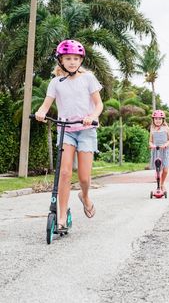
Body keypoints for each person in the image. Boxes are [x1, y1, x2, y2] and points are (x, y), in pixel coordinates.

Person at [35, 39, 103, 232]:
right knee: (64, 174)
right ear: (61, 60)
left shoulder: (88, 78)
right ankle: (62, 216)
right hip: (66, 130)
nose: (72, 62)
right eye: (68, 58)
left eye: (75, 58)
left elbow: (99, 104)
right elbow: (46, 105)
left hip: (86, 131)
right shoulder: (55, 83)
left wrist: (92, 116)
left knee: (83, 177)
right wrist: (41, 112)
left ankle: (85, 196)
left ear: (81, 60)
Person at [149, 110, 169, 192]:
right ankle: (159, 186)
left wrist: (166, 144)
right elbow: (150, 141)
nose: (158, 120)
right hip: (156, 150)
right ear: (153, 120)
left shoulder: (166, 128)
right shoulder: (152, 128)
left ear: (163, 119)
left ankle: (162, 184)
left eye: (159, 119)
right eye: (156, 119)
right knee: (158, 170)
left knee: (165, 170)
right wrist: (152, 145)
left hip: (165, 150)